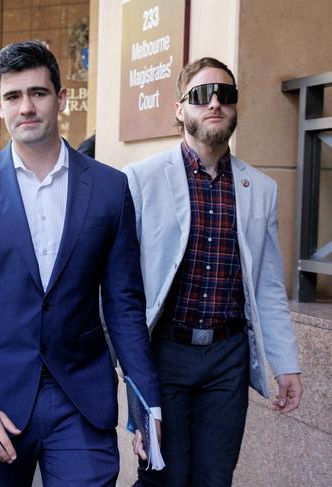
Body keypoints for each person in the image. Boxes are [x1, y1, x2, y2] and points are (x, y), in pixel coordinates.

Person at [0, 40, 160, 486]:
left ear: (60, 98)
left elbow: (125, 306)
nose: (26, 107)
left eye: (38, 93)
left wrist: (147, 404)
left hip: (81, 398)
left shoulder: (110, 189)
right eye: (13, 96)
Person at [123, 57, 303, 487]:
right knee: (162, 474)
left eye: (227, 94)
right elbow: (122, 285)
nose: (216, 103)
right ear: (180, 108)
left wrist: (286, 363)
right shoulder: (140, 179)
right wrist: (130, 378)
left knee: (215, 477)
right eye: (203, 95)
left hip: (228, 357)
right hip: (164, 352)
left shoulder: (260, 189)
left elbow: (268, 286)